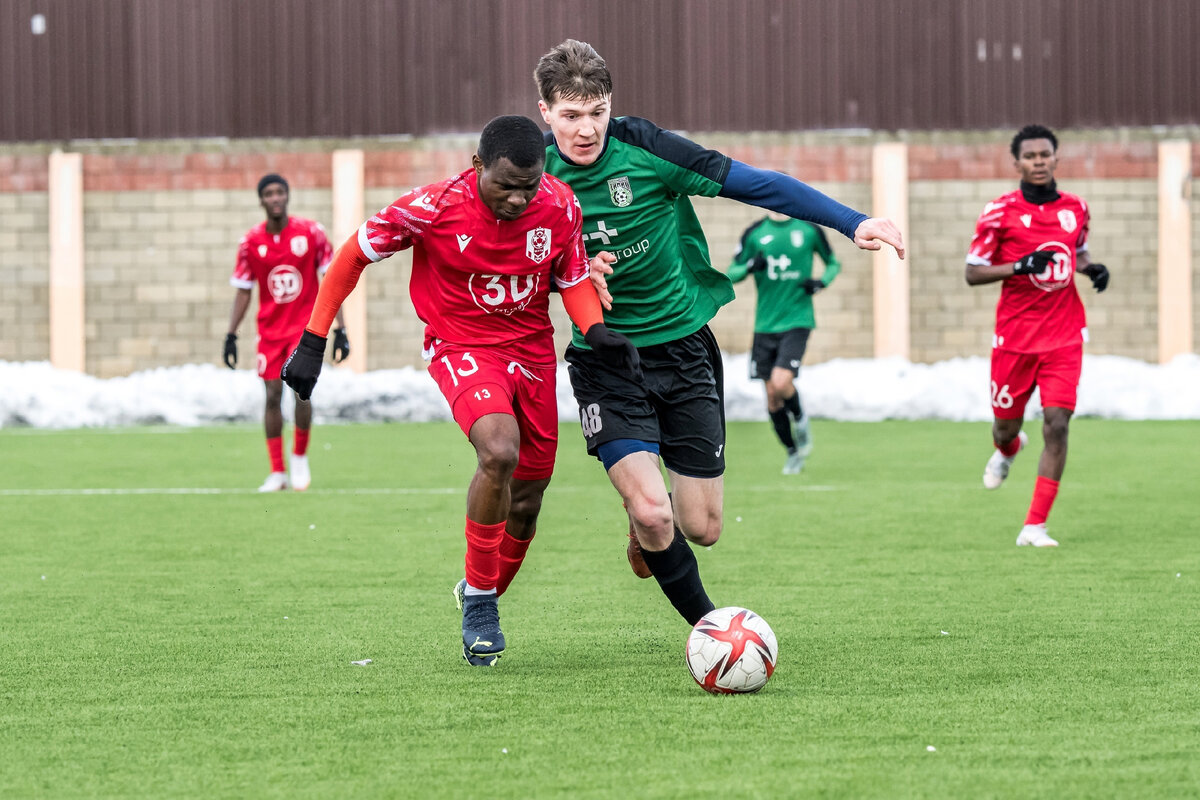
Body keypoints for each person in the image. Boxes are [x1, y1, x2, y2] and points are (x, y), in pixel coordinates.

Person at [534, 40, 904, 625]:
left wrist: (853, 221)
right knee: (657, 514)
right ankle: (712, 629)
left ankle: (643, 515)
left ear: (612, 105)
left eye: (598, 111)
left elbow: (757, 184)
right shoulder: (527, 170)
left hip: (683, 348)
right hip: (604, 358)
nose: (587, 129)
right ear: (546, 112)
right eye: (572, 115)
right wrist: (567, 280)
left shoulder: (648, 149)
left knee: (702, 528)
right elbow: (491, 253)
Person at [280, 115, 639, 666]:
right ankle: (479, 600)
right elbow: (352, 254)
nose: (519, 200)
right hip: (462, 346)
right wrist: (312, 339)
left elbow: (570, 276)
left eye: (529, 185)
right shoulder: (433, 207)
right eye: (506, 186)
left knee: (529, 499)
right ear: (477, 168)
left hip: (531, 350)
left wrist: (596, 332)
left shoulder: (561, 203)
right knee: (498, 450)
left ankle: (483, 592)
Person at [966, 124, 1110, 547]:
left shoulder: (1076, 208)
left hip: (1064, 336)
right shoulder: (998, 212)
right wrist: (1019, 266)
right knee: (1005, 428)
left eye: (1045, 154)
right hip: (1014, 339)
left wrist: (1090, 267)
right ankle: (1008, 449)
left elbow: (1074, 251)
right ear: (1017, 164)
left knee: (1058, 423)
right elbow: (972, 272)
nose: (1039, 162)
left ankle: (1034, 526)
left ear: (1055, 158)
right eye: (1030, 157)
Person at [225, 174, 349, 492]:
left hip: (305, 330)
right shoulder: (251, 242)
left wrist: (341, 329)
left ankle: (299, 458)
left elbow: (332, 279)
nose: (275, 198)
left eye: (280, 192)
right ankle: (277, 472)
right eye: (269, 193)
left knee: (301, 391)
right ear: (261, 200)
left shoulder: (311, 233)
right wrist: (231, 334)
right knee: (270, 396)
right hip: (269, 332)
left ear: (288, 196)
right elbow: (243, 291)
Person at [728, 211, 841, 474]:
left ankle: (800, 419)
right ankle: (792, 451)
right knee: (772, 399)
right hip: (765, 325)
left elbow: (834, 263)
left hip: (797, 320)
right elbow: (731, 272)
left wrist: (821, 282)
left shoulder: (809, 229)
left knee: (781, 382)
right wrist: (748, 267)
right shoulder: (754, 232)